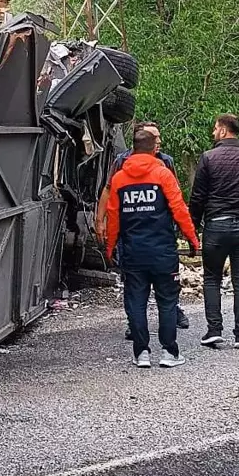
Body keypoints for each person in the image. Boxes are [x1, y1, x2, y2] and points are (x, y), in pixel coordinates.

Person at [106, 129, 199, 368]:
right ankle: (169, 352)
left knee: (135, 301)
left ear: (133, 149)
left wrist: (109, 248)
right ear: (152, 148)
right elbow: (179, 210)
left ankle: (141, 353)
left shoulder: (119, 179)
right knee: (167, 301)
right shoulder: (162, 174)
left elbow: (113, 216)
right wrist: (192, 240)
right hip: (162, 251)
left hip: (133, 252)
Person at [96, 121, 190, 334]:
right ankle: (135, 324)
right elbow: (108, 190)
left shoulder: (166, 162)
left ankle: (172, 311)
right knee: (133, 282)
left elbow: (175, 196)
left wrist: (181, 225)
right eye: (155, 138)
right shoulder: (121, 162)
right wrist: (100, 220)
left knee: (165, 278)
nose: (159, 142)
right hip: (130, 231)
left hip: (160, 231)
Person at [189, 114, 239, 348]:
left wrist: (191, 228)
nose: (213, 133)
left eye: (216, 128)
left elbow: (198, 196)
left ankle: (214, 329)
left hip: (216, 225)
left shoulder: (208, 157)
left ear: (224, 131)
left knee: (211, 278)